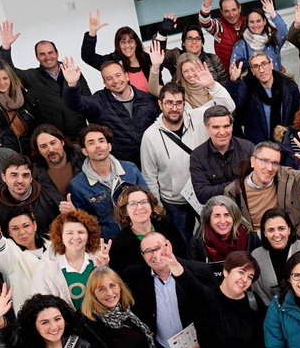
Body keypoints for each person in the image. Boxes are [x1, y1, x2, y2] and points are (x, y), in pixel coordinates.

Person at [140, 78, 235, 242]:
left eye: (179, 103)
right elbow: (149, 176)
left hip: (206, 195)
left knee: (216, 239)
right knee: (182, 242)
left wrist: (212, 84)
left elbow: (228, 106)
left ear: (184, 104)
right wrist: (158, 208)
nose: (174, 108)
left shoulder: (198, 117)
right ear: (160, 104)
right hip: (175, 203)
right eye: (169, 103)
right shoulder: (150, 136)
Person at [0, 20, 89, 141]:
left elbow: (88, 99)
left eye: (50, 52)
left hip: (79, 135)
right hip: (50, 139)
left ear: (57, 53)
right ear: (37, 57)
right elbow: (8, 70)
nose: (48, 57)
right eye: (42, 54)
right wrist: (5, 48)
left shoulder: (72, 72)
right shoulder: (32, 76)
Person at [61, 56, 160, 167]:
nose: (115, 81)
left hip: (153, 162)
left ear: (126, 76)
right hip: (121, 167)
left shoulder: (147, 100)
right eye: (109, 78)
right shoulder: (99, 100)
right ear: (105, 83)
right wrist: (72, 85)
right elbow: (75, 104)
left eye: (118, 75)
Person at [226, 141, 300, 237]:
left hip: (292, 237)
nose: (270, 168)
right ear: (253, 161)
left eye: (275, 163)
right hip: (257, 243)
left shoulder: (288, 176)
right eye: (264, 161)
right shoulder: (233, 191)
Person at [67, 124, 149, 240]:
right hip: (109, 244)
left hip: (141, 236)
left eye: (101, 141)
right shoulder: (77, 185)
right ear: (85, 151)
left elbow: (149, 200)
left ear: (109, 146)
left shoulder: (130, 169)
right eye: (91, 143)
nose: (98, 146)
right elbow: (84, 225)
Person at [32, 210, 110, 308]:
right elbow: (41, 305)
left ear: (89, 236)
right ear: (61, 237)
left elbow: (113, 293)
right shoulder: (45, 267)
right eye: (69, 233)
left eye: (81, 232)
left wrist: (104, 268)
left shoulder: (102, 257)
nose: (76, 237)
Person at [108, 185, 188, 273]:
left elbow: (182, 253)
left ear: (151, 206)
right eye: (133, 204)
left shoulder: (165, 222)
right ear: (125, 211)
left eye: (144, 202)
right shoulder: (120, 245)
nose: (140, 207)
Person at [229, 54, 300, 146]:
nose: (261, 70)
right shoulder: (247, 88)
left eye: (264, 64)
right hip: (257, 146)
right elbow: (233, 105)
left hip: (286, 145)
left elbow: (299, 116)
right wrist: (233, 82)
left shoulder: (289, 87)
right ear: (252, 71)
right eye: (256, 66)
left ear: (271, 65)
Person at [0, 209, 51, 311]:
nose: (22, 232)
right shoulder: (10, 252)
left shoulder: (52, 243)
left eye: (26, 226)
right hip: (35, 314)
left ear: (35, 225)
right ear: (9, 232)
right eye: (15, 228)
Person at [189, 105, 257, 203]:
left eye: (226, 126)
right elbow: (202, 195)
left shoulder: (248, 148)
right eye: (216, 127)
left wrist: (218, 189)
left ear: (232, 127)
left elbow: (258, 181)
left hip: (248, 207)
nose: (222, 132)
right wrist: (239, 184)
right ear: (207, 129)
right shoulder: (197, 156)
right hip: (218, 212)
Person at [0, 153, 64, 233]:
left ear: (31, 177)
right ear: (4, 177)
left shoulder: (51, 197)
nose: (20, 181)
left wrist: (72, 214)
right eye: (14, 175)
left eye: (25, 175)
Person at [81, 12, 153, 91]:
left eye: (130, 41)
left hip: (150, 101)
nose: (127, 46)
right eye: (123, 42)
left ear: (136, 43)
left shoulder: (146, 57)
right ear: (118, 45)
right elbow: (87, 56)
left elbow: (157, 81)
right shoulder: (112, 61)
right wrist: (92, 33)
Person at [188, 195, 250, 276]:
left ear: (234, 217)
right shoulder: (197, 243)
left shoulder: (250, 238)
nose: (223, 221)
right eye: (217, 216)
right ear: (208, 219)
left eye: (227, 215)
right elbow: (195, 275)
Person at [228, 0, 288, 74]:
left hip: (277, 83)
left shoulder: (272, 39)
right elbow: (233, 70)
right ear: (247, 24)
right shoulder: (241, 45)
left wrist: (272, 13)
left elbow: (284, 32)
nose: (255, 25)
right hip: (254, 85)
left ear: (264, 21)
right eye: (252, 22)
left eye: (258, 21)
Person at [199, 0, 248, 66]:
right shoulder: (219, 26)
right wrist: (208, 0)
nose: (231, 14)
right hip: (229, 77)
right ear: (221, 12)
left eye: (234, 10)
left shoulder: (249, 23)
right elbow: (204, 22)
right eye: (226, 11)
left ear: (239, 8)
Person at [30, 125, 79, 196]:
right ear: (39, 151)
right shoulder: (36, 175)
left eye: (53, 143)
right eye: (43, 146)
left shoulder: (81, 155)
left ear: (62, 142)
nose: (50, 150)